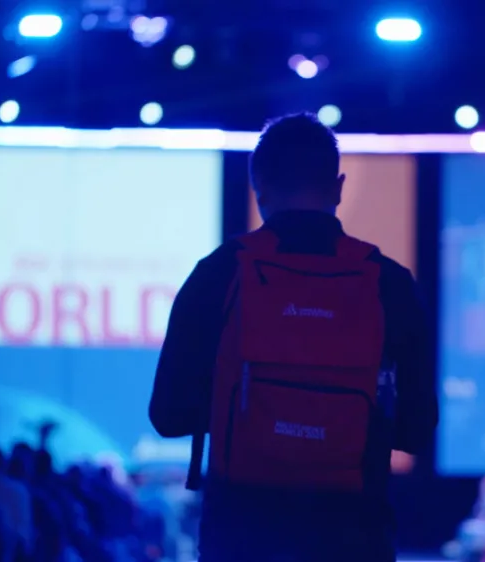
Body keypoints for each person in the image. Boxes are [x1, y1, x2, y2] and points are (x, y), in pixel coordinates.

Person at [149, 112, 437, 562]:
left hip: (242, 534)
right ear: (338, 188)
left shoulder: (219, 273)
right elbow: (417, 431)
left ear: (257, 187)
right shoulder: (389, 282)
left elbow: (167, 416)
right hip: (353, 535)